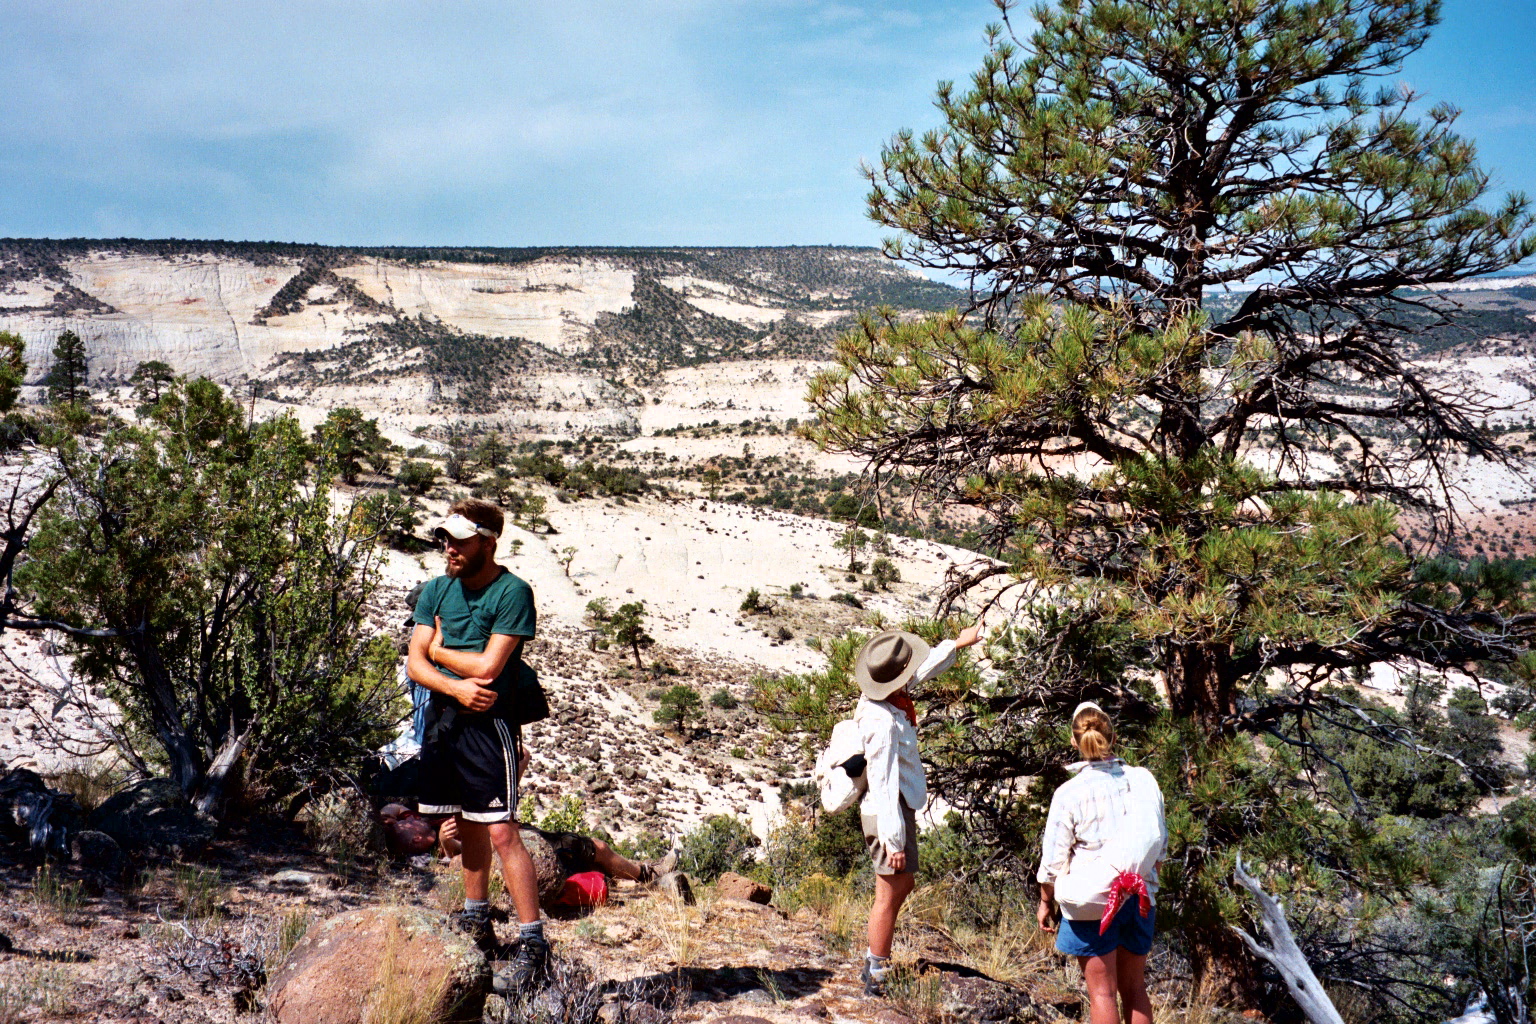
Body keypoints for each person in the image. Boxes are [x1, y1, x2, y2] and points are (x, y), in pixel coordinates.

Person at [408, 498, 547, 993]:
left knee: (502, 829)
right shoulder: (436, 589)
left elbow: (489, 666)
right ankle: (476, 918)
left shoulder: (512, 592)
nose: (449, 548)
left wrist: (439, 650)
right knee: (465, 821)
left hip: (491, 725)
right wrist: (454, 686)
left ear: (488, 542)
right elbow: (414, 665)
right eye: (445, 538)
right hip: (447, 722)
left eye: (460, 540)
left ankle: (533, 944)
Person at [855, 621, 984, 996]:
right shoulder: (882, 722)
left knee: (901, 884)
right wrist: (893, 841)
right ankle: (876, 971)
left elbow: (922, 670)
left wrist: (957, 644)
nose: (909, 678)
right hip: (888, 811)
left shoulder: (888, 696)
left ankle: (875, 961)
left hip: (895, 807)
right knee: (889, 892)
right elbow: (882, 782)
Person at [1036, 702, 1166, 1024]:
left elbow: (1053, 861)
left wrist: (1045, 901)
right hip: (1139, 895)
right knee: (1135, 988)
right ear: (1113, 736)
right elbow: (1159, 844)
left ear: (1074, 741)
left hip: (1093, 900)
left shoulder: (1069, 793)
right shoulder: (1143, 780)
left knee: (1102, 994)